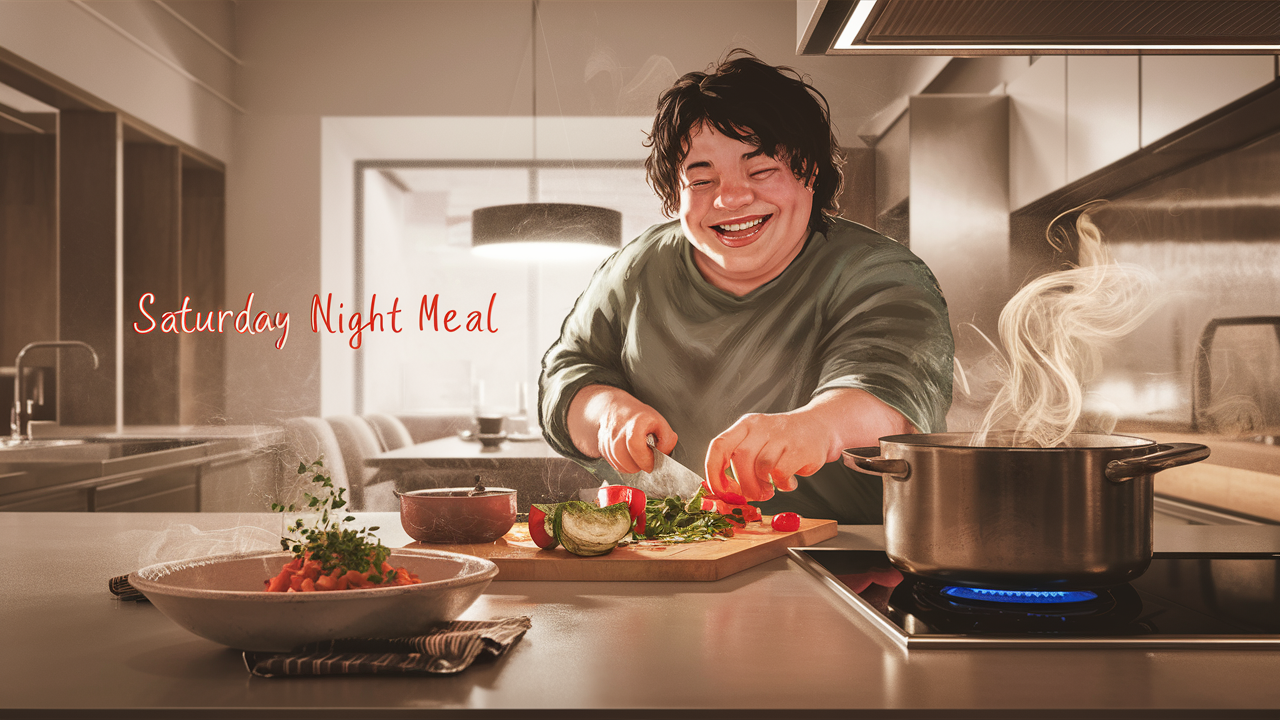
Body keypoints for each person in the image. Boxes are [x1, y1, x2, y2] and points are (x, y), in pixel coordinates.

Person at [537, 51, 953, 524]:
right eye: (701, 178)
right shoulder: (636, 269)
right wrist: (607, 412)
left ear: (811, 172)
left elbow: (892, 390)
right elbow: (567, 373)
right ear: (676, 192)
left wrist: (815, 427)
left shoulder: (879, 270)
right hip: (668, 552)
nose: (731, 197)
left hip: (849, 557)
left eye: (761, 171)